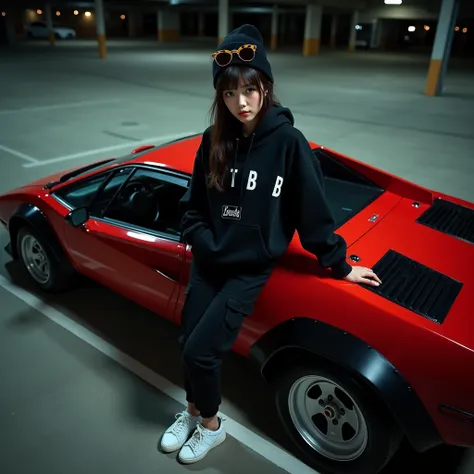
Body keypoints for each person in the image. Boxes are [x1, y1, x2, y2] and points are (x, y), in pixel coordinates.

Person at [159, 24, 382, 464]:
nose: (240, 103)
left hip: (248, 270)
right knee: (189, 341)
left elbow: (312, 213)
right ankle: (190, 411)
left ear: (266, 87)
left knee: (203, 351)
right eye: (228, 93)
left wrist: (338, 265)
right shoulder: (213, 142)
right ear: (219, 97)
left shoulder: (288, 144)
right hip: (210, 261)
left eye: (249, 89)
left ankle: (211, 426)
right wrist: (205, 242)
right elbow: (192, 207)